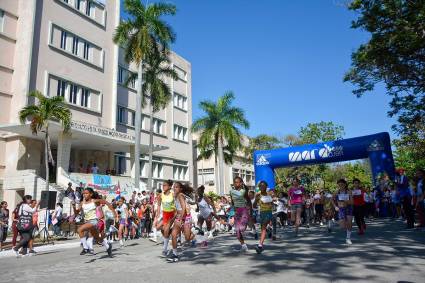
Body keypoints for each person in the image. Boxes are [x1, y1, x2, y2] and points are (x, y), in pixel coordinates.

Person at [72, 188, 114, 257]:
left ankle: (85, 248)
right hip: (87, 222)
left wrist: (114, 212)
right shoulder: (82, 203)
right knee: (98, 239)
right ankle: (108, 246)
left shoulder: (94, 201)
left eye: (86, 193)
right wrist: (74, 207)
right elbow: (76, 213)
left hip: (94, 221)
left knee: (79, 230)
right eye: (84, 193)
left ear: (91, 194)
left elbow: (105, 202)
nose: (84, 195)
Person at [167, 182, 196, 262]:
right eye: (174, 187)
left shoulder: (180, 195)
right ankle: (175, 255)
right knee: (173, 235)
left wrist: (181, 220)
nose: (174, 188)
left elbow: (183, 208)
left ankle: (194, 235)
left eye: (176, 187)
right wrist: (171, 221)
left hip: (186, 218)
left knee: (187, 238)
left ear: (180, 189)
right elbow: (177, 210)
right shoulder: (174, 196)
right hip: (179, 217)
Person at [229, 176, 250, 252]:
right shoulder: (231, 191)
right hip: (236, 211)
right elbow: (232, 202)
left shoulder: (244, 191)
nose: (236, 184)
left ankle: (246, 224)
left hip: (243, 210)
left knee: (242, 228)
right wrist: (232, 213)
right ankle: (243, 246)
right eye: (235, 182)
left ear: (241, 183)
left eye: (238, 182)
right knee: (237, 231)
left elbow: (248, 200)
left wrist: (250, 210)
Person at [156, 180, 176, 257]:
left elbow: (177, 204)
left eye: (165, 185)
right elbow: (158, 206)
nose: (163, 187)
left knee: (166, 229)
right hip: (164, 214)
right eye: (163, 185)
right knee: (158, 227)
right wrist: (157, 216)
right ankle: (169, 234)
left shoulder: (173, 195)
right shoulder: (160, 195)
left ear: (170, 187)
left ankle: (164, 250)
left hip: (172, 214)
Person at [254, 181, 273, 254]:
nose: (262, 187)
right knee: (263, 228)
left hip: (268, 212)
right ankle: (268, 229)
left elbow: (272, 204)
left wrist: (272, 202)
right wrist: (256, 199)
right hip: (261, 213)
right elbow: (254, 206)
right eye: (260, 186)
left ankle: (260, 245)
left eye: (263, 186)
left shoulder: (269, 194)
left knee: (263, 228)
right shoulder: (258, 195)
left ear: (266, 186)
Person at [334, 179, 353, 244]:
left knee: (349, 223)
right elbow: (332, 200)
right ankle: (347, 228)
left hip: (348, 208)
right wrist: (335, 206)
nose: (340, 186)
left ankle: (348, 238)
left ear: (345, 184)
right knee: (342, 226)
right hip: (341, 209)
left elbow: (352, 202)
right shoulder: (337, 192)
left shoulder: (349, 191)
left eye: (342, 184)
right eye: (339, 185)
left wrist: (346, 201)